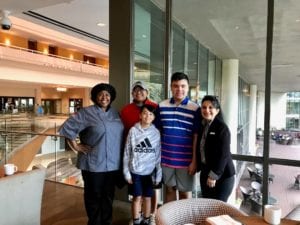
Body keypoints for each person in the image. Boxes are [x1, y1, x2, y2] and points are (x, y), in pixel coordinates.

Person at [59, 83, 124, 225]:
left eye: (107, 94)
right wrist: (76, 146)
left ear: (111, 97)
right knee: (93, 196)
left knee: (108, 196)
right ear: (95, 96)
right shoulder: (85, 112)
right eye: (101, 94)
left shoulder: (115, 113)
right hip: (93, 163)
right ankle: (94, 222)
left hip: (113, 164)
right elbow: (66, 128)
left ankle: (107, 222)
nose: (104, 97)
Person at [155, 72, 200, 202]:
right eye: (176, 86)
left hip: (186, 161)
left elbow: (196, 136)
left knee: (185, 194)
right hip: (166, 159)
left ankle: (184, 221)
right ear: (171, 87)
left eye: (182, 86)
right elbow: (157, 132)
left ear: (187, 87)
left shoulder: (195, 108)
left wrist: (194, 161)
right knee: (169, 190)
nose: (179, 89)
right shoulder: (162, 106)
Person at [120, 81, 159, 224]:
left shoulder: (155, 107)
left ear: (147, 92)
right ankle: (136, 217)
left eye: (142, 90)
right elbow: (123, 132)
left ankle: (151, 215)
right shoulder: (126, 110)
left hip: (149, 159)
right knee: (136, 195)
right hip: (134, 159)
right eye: (135, 90)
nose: (139, 93)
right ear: (132, 93)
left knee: (150, 193)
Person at [196, 95, 235, 202]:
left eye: (210, 107)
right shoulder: (203, 125)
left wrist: (213, 176)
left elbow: (224, 154)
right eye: (204, 107)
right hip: (205, 172)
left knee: (218, 210)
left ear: (217, 111)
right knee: (207, 206)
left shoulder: (222, 128)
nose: (207, 110)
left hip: (222, 176)